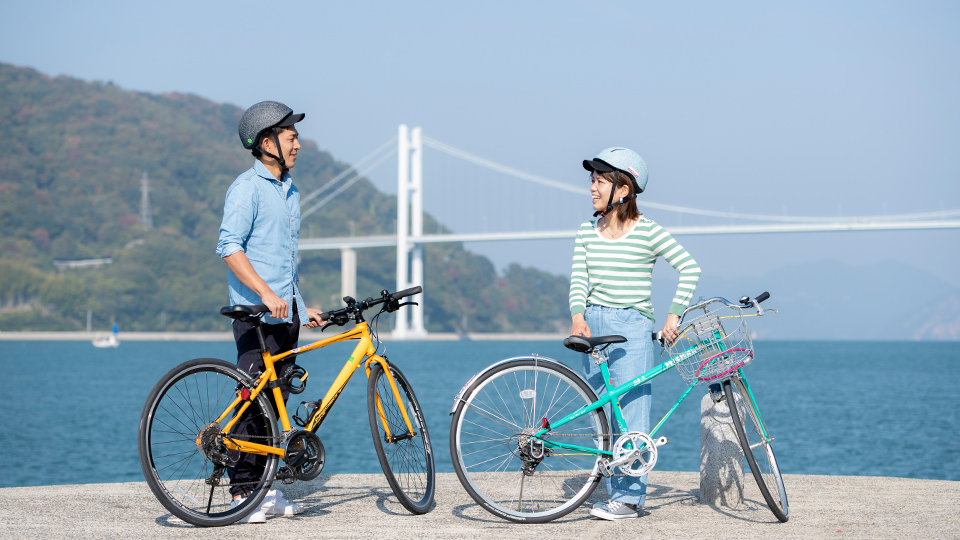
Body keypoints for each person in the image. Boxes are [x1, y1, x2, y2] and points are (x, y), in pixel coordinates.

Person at [568, 147, 701, 521]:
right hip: (592, 326)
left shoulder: (648, 232)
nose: (592, 187)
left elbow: (689, 268)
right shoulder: (586, 231)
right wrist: (577, 316)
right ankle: (611, 483)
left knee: (631, 415)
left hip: (632, 328)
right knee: (600, 415)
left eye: (600, 181)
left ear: (623, 190)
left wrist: (673, 316)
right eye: (591, 180)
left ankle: (628, 500)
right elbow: (579, 279)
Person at [216, 100, 324, 523]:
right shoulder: (248, 188)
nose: (298, 143)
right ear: (267, 143)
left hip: (284, 313)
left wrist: (299, 305)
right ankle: (240, 493)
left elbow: (282, 261)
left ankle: (265, 487)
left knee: (274, 403)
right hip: (255, 314)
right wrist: (265, 294)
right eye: (290, 136)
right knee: (251, 403)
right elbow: (229, 247)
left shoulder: (290, 190)